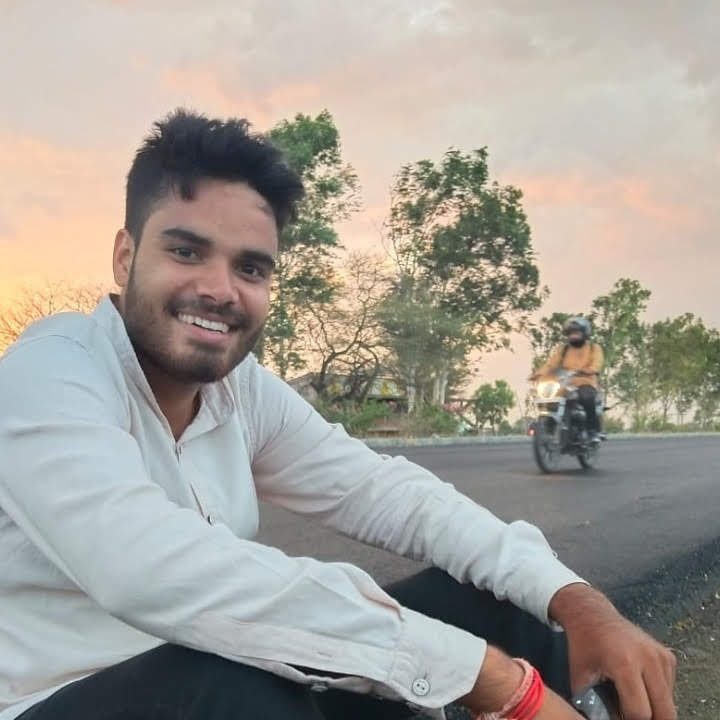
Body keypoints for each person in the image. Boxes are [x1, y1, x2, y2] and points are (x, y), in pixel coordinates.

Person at [0, 110, 675, 720]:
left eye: (251, 269)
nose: (219, 289)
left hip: (228, 681)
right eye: (186, 251)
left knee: (496, 607)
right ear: (125, 256)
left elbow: (388, 494)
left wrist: (575, 599)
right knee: (240, 684)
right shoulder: (51, 373)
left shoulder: (240, 392)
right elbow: (146, 569)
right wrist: (490, 680)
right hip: (64, 699)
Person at [532, 317, 605, 442]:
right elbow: (551, 365)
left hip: (585, 382)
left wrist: (589, 370)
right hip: (564, 383)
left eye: (576, 333)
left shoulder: (594, 348)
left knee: (587, 398)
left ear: (584, 333)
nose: (573, 336)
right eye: (570, 333)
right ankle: (552, 429)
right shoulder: (563, 349)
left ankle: (593, 431)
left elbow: (596, 364)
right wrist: (538, 374)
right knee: (550, 400)